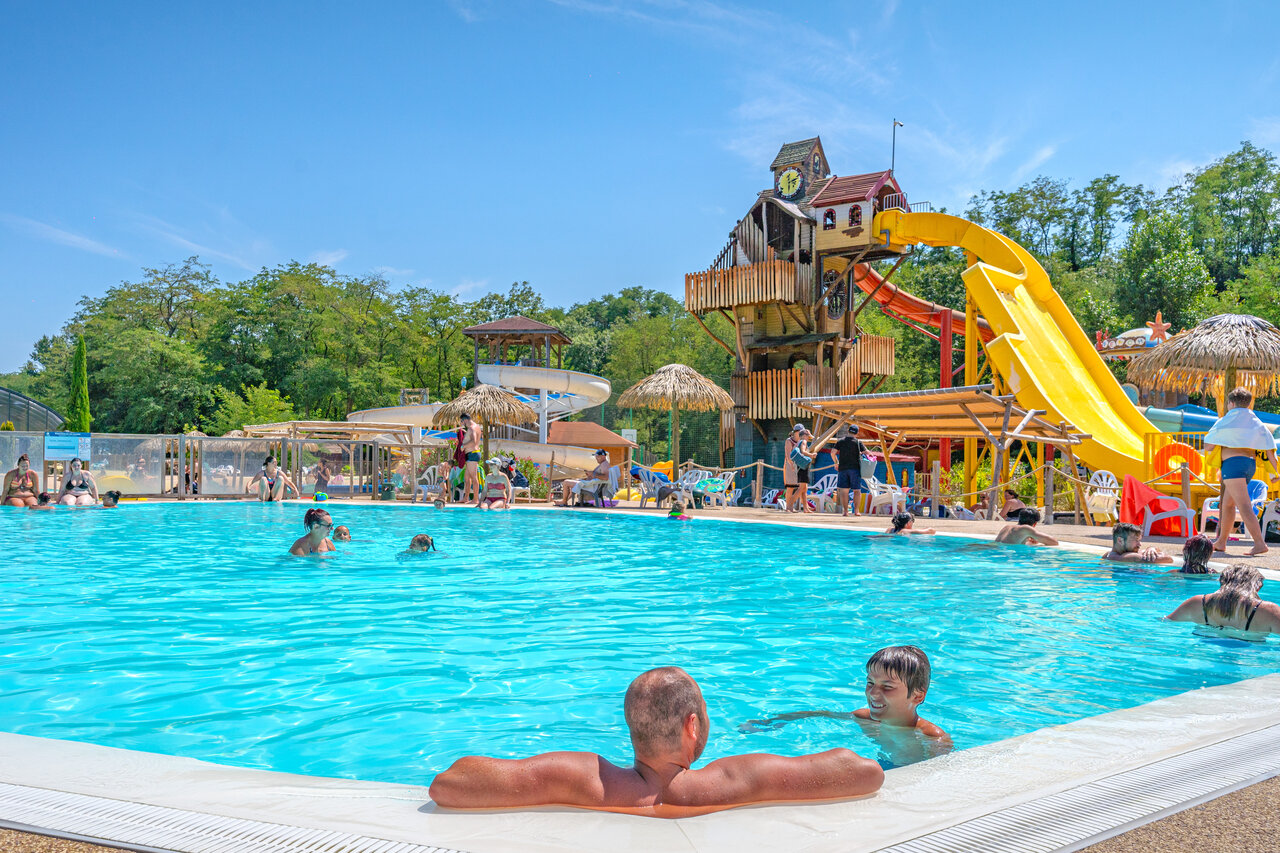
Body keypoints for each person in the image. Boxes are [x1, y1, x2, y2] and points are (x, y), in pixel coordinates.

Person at [428, 666, 884, 817]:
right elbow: (864, 772)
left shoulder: (585, 780)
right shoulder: (737, 779)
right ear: (693, 728)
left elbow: (450, 782)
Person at [741, 646, 952, 767]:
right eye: (870, 683)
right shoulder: (864, 717)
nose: (873, 693)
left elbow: (943, 773)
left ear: (917, 696)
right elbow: (820, 714)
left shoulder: (931, 736)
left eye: (887, 687)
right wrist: (772, 722)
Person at [1203, 387, 1280, 557]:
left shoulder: (1225, 421)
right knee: (1228, 504)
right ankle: (1221, 542)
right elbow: (1270, 447)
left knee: (1244, 505)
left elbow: (1208, 445)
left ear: (1230, 403)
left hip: (1233, 465)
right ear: (1249, 403)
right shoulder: (1255, 421)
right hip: (1248, 465)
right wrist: (1274, 472)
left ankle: (1260, 543)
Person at [1167, 565, 1280, 636]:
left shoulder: (1197, 603)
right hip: (1249, 658)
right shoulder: (1269, 611)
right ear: (1257, 586)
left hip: (1205, 652)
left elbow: (1165, 623)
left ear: (1221, 582)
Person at [829, 425, 865, 517]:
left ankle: (845, 511)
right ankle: (856, 511)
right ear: (857, 433)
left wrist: (836, 462)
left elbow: (833, 452)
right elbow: (867, 453)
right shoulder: (858, 443)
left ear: (848, 431)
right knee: (857, 491)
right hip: (855, 469)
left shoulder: (840, 441)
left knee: (844, 491)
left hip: (843, 469)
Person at [1103, 521, 1173, 564]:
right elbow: (1169, 559)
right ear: (1120, 540)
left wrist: (1152, 548)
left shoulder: (1107, 555)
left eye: (1139, 540)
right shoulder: (1128, 557)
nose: (1140, 544)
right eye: (1136, 540)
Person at [993, 508, 1059, 546]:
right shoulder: (1026, 528)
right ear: (1035, 523)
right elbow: (1054, 542)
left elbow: (1011, 543)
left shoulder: (1007, 527)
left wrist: (1029, 541)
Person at [459, 413, 483, 506]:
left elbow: (473, 441)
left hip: (473, 454)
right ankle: (466, 498)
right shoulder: (476, 426)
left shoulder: (472, 428)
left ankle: (475, 499)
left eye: (461, 421)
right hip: (471, 454)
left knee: (474, 477)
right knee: (467, 477)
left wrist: (463, 446)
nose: (462, 423)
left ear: (465, 420)